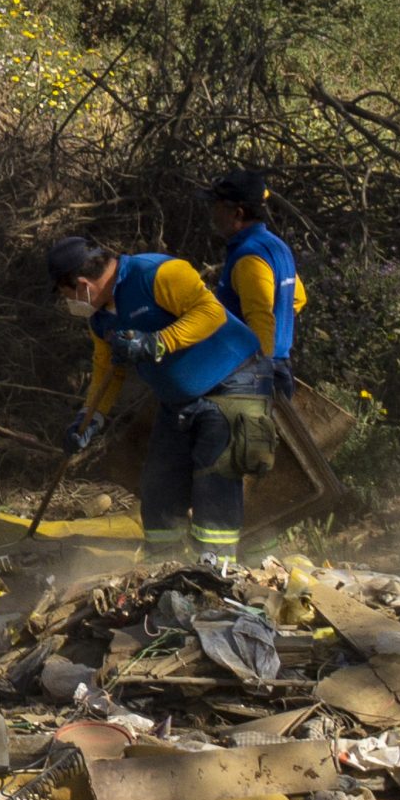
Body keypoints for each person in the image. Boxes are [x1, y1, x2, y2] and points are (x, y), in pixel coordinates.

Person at [49, 235, 266, 573]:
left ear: (81, 284)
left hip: (232, 381)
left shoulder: (156, 273)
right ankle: (163, 567)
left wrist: (157, 342)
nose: (70, 304)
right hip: (177, 401)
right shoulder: (100, 318)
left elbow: (210, 313)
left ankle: (216, 570)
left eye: (67, 295)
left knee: (215, 476)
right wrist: (89, 418)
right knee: (159, 483)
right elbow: (107, 368)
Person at [207, 171, 304, 400]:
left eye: (216, 206)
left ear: (237, 214)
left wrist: (259, 378)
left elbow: (261, 319)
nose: (212, 213)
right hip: (276, 368)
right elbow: (298, 298)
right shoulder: (276, 246)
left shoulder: (249, 258)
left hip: (250, 377)